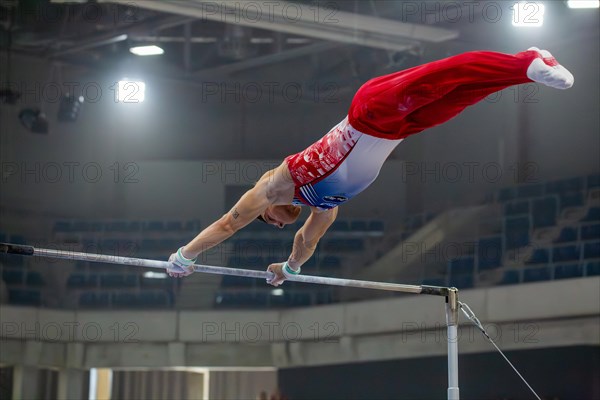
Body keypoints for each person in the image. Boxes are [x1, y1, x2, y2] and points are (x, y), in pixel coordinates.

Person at [167, 47, 574, 286]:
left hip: (369, 111)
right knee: (462, 95)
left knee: (443, 75)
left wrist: (185, 256)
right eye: (271, 226)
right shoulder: (326, 209)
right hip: (400, 130)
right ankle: (530, 70)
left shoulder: (273, 186)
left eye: (267, 221)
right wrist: (289, 268)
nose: (272, 222)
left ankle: (525, 61)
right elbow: (306, 243)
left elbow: (227, 224)